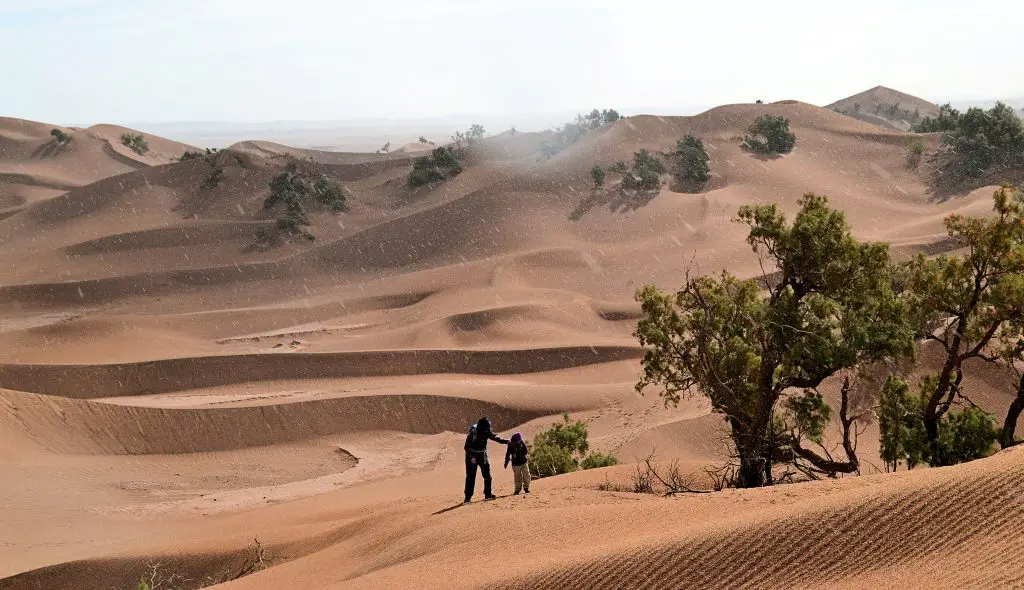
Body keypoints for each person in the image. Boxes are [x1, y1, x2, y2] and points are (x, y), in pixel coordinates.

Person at [464, 416, 508, 503]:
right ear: (482, 427)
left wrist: (506, 441)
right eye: (487, 427)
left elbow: (494, 437)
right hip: (471, 456)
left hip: (482, 454)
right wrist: (472, 457)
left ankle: (488, 494)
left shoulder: (486, 430)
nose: (488, 429)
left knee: (487, 475)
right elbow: (466, 447)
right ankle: (467, 498)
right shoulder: (473, 432)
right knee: (470, 477)